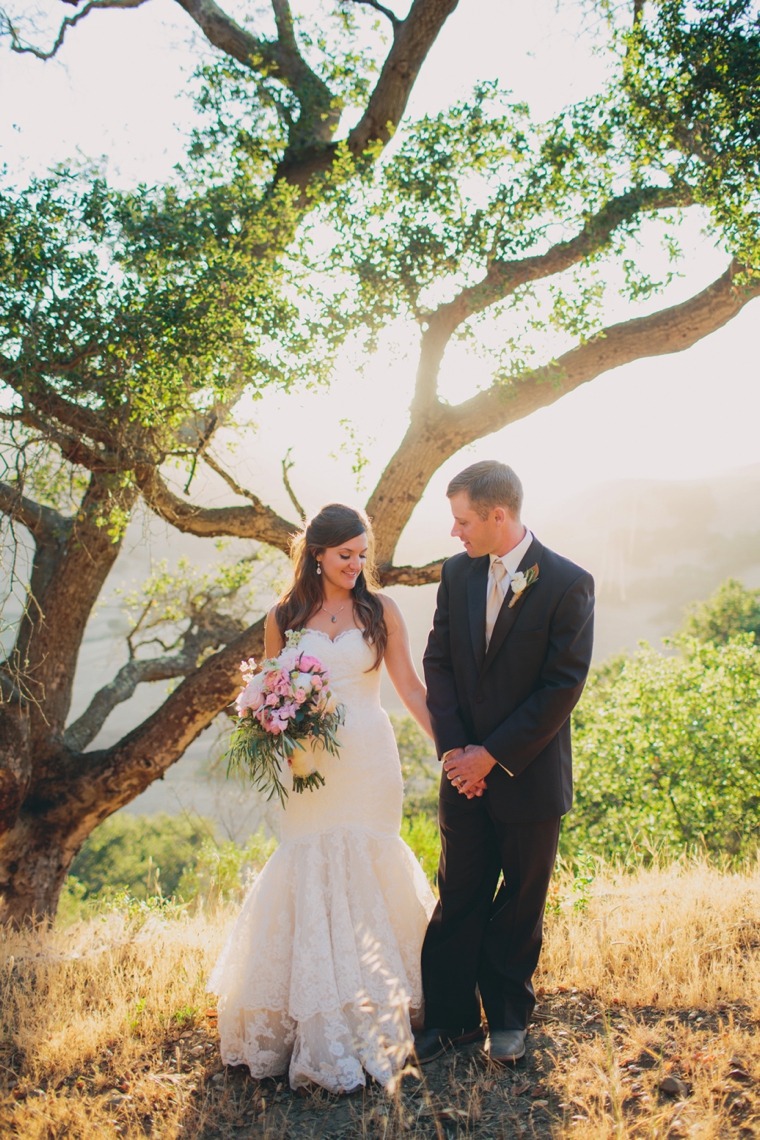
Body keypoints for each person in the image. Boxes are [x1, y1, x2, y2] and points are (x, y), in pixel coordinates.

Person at [208, 503, 435, 1094]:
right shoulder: (284, 615)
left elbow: (409, 685)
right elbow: (271, 689)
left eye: (363, 555)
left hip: (368, 761)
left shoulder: (378, 609)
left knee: (370, 859)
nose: (357, 565)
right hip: (308, 767)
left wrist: (449, 746)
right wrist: (275, 730)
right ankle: (315, 1019)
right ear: (316, 554)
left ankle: (380, 1008)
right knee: (311, 862)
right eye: (345, 556)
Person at [416, 460, 594, 1065]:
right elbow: (437, 663)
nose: (455, 533)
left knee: (521, 900)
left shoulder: (569, 583)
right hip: (462, 776)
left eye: (462, 520)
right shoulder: (456, 575)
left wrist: (492, 755)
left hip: (528, 776)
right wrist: (456, 752)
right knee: (458, 892)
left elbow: (561, 686)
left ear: (498, 515)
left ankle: (509, 1017)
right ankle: (450, 1020)